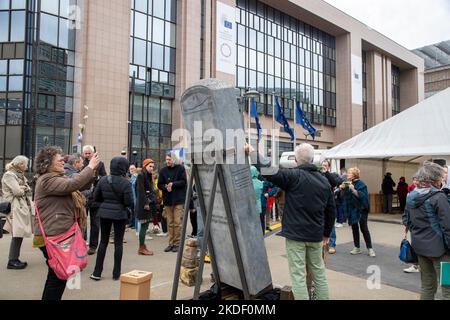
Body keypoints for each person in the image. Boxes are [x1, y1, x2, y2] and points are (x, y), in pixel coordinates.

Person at [246, 143, 335, 300]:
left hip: (296, 236)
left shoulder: (293, 176)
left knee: (298, 276)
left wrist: (252, 152)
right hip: (316, 236)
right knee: (319, 273)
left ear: (296, 160)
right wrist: (326, 234)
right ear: (313, 159)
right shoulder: (324, 182)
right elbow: (331, 211)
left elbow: (268, 170)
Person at [33, 146, 99, 300]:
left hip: (58, 233)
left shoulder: (56, 177)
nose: (63, 161)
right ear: (47, 163)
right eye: (59, 160)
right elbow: (72, 185)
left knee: (58, 274)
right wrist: (89, 167)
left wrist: (91, 169)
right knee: (58, 276)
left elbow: (80, 184)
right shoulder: (47, 179)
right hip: (53, 235)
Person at [402, 161, 450, 300]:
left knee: (427, 286)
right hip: (442, 251)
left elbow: (407, 221)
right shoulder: (439, 197)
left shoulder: (411, 196)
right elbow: (447, 226)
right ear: (434, 179)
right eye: (441, 178)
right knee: (448, 288)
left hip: (420, 248)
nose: (442, 180)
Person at [90, 157, 132, 281]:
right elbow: (128, 202)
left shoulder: (103, 180)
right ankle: (116, 274)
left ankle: (97, 273)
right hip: (120, 215)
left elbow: (96, 197)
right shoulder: (126, 183)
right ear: (124, 167)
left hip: (104, 213)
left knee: (103, 242)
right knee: (118, 243)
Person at [2, 156, 34, 270]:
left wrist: (23, 188)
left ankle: (15, 259)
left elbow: (28, 189)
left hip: (20, 207)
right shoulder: (9, 175)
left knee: (19, 234)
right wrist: (23, 188)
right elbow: (17, 191)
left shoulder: (19, 174)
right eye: (26, 164)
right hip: (15, 207)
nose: (27, 166)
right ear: (20, 164)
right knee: (17, 234)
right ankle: (12, 261)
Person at [341, 167, 376, 257]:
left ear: (354, 175)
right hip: (352, 210)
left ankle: (370, 248)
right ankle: (357, 247)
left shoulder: (361, 184)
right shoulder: (347, 183)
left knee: (364, 228)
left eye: (349, 173)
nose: (347, 174)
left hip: (361, 209)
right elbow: (345, 197)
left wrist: (353, 189)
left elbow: (363, 197)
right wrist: (342, 188)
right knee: (354, 228)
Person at [158, 152, 187, 253]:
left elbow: (184, 182)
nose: (167, 161)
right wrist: (166, 187)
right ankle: (171, 243)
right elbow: (159, 184)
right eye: (166, 160)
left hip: (178, 200)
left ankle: (177, 243)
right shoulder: (163, 170)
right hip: (167, 200)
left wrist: (172, 184)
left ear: (173, 159)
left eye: (169, 159)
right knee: (169, 223)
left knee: (177, 223)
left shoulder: (180, 168)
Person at [82, 145, 107, 255]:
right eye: (86, 153)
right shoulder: (81, 163)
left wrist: (97, 178)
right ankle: (82, 243)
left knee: (95, 223)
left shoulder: (100, 164)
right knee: (82, 222)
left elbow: (104, 177)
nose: (87, 155)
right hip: (82, 196)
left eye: (89, 153)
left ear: (93, 153)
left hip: (96, 197)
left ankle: (93, 246)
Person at [135, 159, 157, 256]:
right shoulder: (141, 175)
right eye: (150, 166)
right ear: (145, 166)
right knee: (144, 226)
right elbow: (140, 191)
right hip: (144, 205)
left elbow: (149, 190)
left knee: (146, 225)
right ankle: (141, 247)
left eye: (153, 166)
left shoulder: (148, 175)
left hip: (147, 204)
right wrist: (146, 203)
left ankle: (143, 246)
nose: (152, 168)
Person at [321, 160, 340, 254]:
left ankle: (332, 245)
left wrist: (326, 173)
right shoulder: (318, 175)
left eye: (325, 165)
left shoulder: (332, 175)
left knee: (331, 224)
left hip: (329, 203)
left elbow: (334, 183)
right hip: (320, 203)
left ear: (328, 167)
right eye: (322, 165)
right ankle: (323, 242)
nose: (323, 167)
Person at [250, 166, 264, 234]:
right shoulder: (260, 183)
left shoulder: (247, 183)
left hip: (249, 205)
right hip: (258, 204)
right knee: (259, 221)